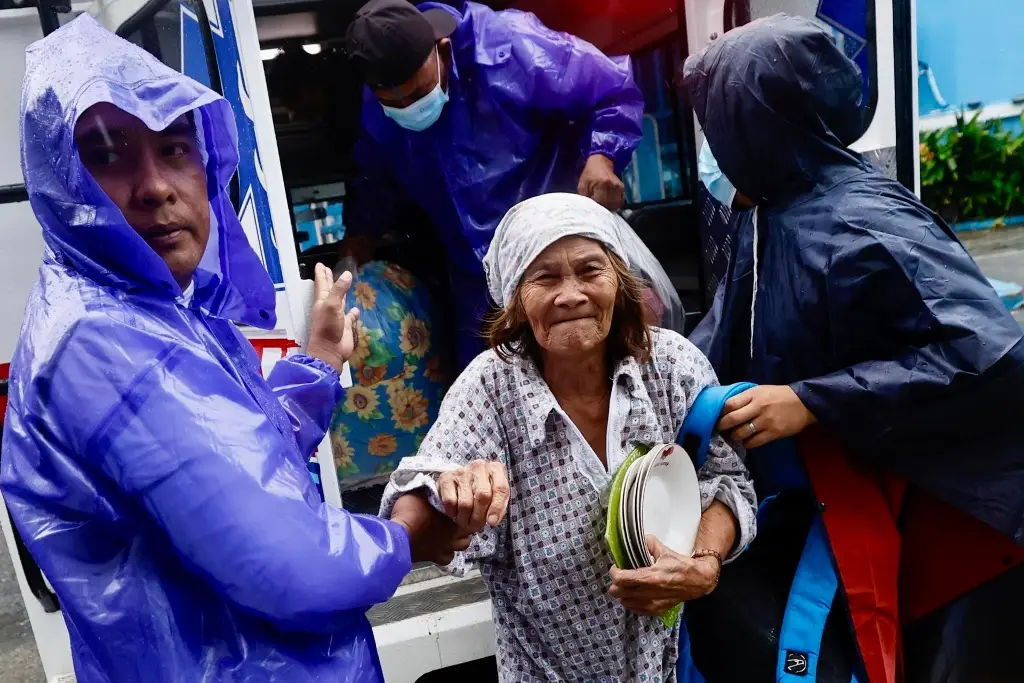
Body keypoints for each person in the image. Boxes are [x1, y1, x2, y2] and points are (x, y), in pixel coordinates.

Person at [0, 17, 465, 683]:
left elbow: (236, 457)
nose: (156, 184)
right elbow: (286, 563)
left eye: (175, 148)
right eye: (105, 154)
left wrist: (319, 367)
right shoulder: (103, 342)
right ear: (58, 180)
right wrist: (409, 535)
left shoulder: (150, 311)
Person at [683, 14, 1024, 682]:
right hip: (873, 502)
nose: (712, 154)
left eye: (717, 129)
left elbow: (991, 356)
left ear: (758, 127)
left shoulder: (864, 224)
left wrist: (811, 400)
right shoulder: (772, 213)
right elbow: (721, 337)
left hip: (967, 516)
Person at [377, 193, 757, 681]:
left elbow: (728, 480)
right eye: (546, 277)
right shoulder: (490, 388)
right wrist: (455, 490)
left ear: (619, 282)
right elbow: (424, 501)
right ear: (516, 298)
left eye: (589, 271)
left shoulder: (671, 366)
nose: (571, 294)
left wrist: (704, 564)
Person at [342, 0, 645, 371]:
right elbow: (375, 179)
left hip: (560, 257)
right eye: (396, 102)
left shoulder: (512, 47)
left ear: (443, 50)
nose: (408, 106)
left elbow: (610, 90)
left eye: (417, 93)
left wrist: (602, 155)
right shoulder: (376, 109)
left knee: (595, 367)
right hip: (476, 282)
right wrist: (359, 240)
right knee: (496, 388)